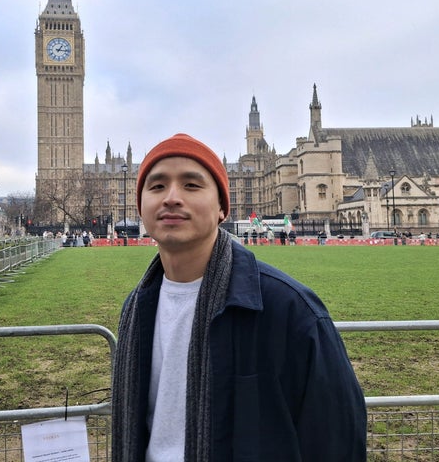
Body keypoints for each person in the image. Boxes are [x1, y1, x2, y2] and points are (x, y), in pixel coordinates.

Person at [111, 133, 367, 461]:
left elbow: (337, 440)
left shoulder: (291, 311)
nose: (172, 197)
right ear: (140, 206)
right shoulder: (135, 309)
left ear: (222, 207)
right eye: (157, 186)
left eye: (191, 185)